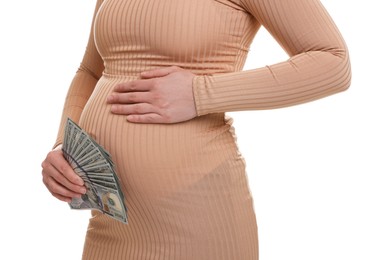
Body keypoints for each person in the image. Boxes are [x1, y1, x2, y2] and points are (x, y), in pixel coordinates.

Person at [41, 0, 351, 259]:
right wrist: (62, 145)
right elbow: (91, 70)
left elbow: (333, 62)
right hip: (111, 222)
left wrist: (199, 93)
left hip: (195, 218)